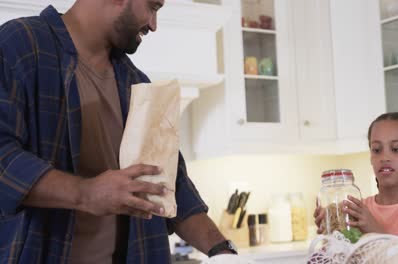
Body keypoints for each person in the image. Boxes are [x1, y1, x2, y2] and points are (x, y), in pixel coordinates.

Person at [0, 0, 236, 263]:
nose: (153, 25)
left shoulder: (137, 84)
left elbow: (171, 185)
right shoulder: (21, 45)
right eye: (153, 7)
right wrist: (87, 193)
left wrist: (223, 251)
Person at [314, 112, 398, 253]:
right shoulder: (356, 210)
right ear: (371, 156)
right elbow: (341, 258)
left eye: (396, 149)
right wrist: (329, 237)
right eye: (377, 150)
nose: (384, 157)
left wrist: (375, 231)